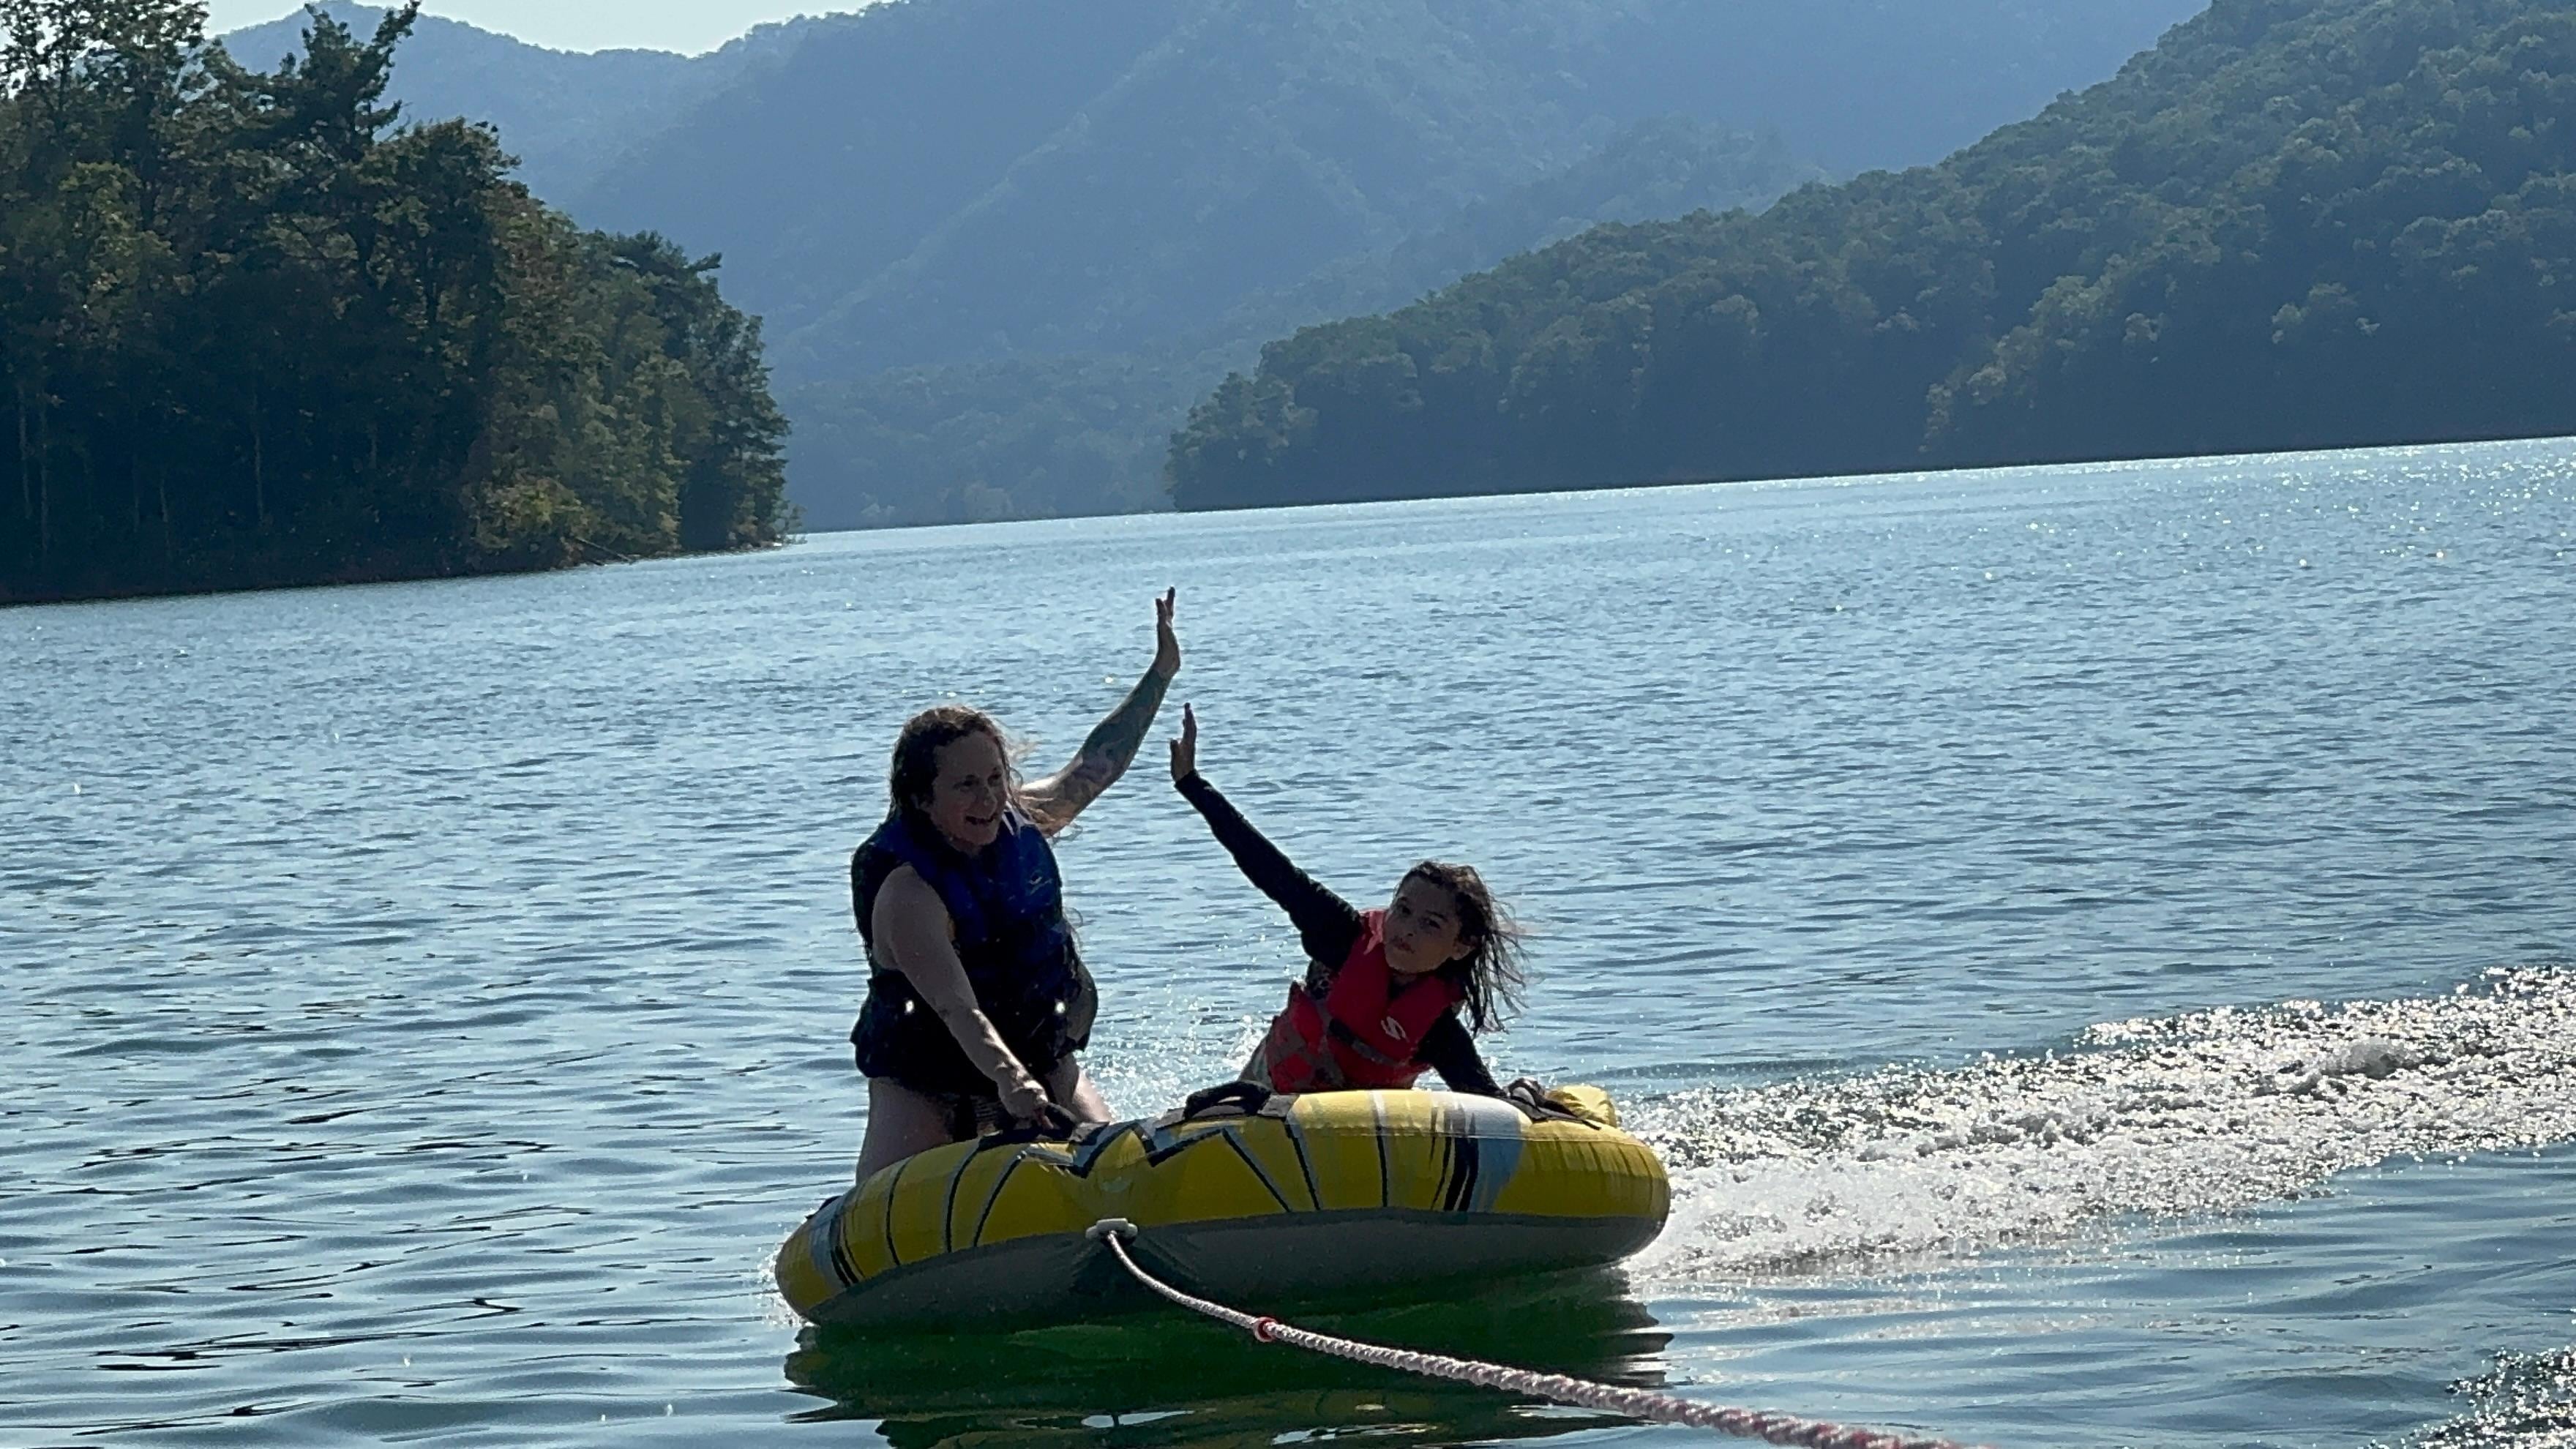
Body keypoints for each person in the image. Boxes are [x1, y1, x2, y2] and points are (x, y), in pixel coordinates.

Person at [848, 591, 1180, 1180]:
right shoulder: (907, 894)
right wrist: (1011, 1082)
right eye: (966, 785)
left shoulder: (1022, 820)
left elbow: (1098, 762)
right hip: (929, 1073)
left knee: (1111, 1168)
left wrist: (1159, 675)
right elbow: (955, 1007)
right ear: (923, 799)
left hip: (1037, 1053)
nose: (989, 799)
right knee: (888, 1192)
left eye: (996, 778)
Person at [1166, 704, 1523, 1097]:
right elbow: (1269, 868)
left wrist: (1524, 1103)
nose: (1406, 930)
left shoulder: (1438, 1031)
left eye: (1430, 924)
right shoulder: (1340, 936)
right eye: (1402, 911)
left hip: (1357, 1129)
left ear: (1461, 946)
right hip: (1267, 1095)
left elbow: (1486, 1100)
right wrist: (1193, 785)